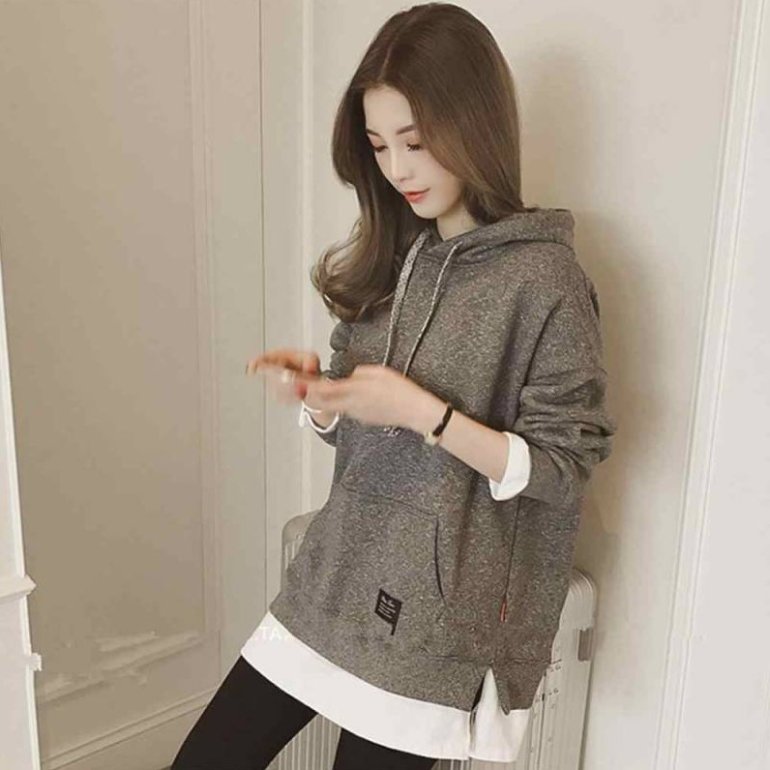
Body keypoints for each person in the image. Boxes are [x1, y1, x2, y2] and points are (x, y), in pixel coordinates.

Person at [171, 2, 617, 768]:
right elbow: (365, 429)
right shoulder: (393, 258)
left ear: (474, 126)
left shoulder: (544, 280)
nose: (398, 169)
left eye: (415, 141)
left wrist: (427, 415)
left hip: (433, 630)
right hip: (333, 580)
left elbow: (562, 467)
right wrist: (324, 398)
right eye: (379, 146)